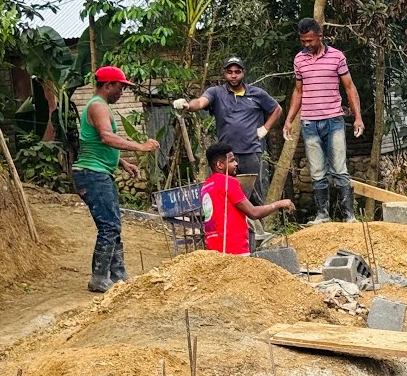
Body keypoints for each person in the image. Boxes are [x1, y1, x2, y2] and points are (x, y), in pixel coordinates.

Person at [73, 66, 160, 293]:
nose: (122, 92)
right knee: (109, 225)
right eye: (120, 87)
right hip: (92, 174)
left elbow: (94, 142)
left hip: (98, 171)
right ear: (108, 85)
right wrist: (140, 147)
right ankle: (99, 277)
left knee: (113, 225)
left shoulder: (99, 106)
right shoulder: (97, 106)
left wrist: (122, 162)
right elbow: (106, 136)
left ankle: (118, 274)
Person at [281, 18, 365, 224]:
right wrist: (289, 120)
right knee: (317, 170)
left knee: (339, 167)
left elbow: (349, 87)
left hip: (334, 120)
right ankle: (322, 215)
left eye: (310, 40)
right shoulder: (299, 60)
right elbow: (298, 91)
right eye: (303, 41)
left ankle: (349, 216)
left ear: (320, 36)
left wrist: (358, 118)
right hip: (309, 122)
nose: (307, 45)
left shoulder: (337, 57)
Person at [172, 57, 282, 206]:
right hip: (225, 155)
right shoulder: (216, 93)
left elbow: (277, 109)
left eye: (237, 72)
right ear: (224, 74)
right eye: (229, 72)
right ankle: (228, 228)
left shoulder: (257, 93)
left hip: (250, 152)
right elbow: (199, 102)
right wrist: (187, 106)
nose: (233, 75)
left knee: (253, 195)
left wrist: (265, 128)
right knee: (224, 194)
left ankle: (256, 229)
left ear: (243, 73)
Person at [200, 142, 296, 256]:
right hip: (234, 249)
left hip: (214, 250)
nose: (236, 164)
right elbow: (253, 213)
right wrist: (279, 203)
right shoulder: (228, 182)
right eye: (231, 161)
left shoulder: (206, 186)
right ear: (220, 165)